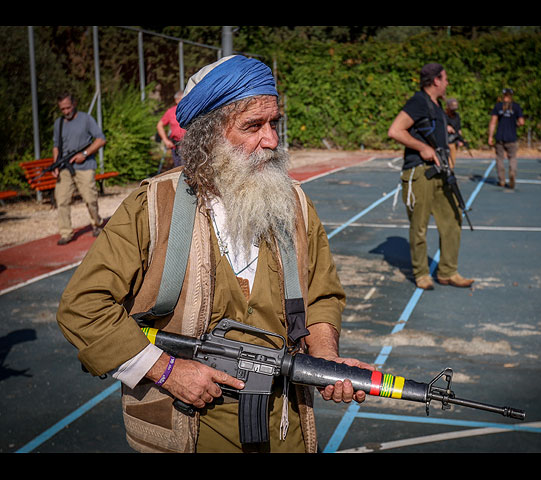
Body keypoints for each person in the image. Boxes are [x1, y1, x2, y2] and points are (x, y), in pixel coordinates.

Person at [56, 55, 373, 454]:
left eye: (273, 123)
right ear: (209, 135)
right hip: (184, 432)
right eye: (253, 126)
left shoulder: (293, 204)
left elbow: (321, 296)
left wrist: (325, 359)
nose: (272, 140)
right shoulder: (152, 206)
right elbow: (82, 306)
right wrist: (166, 370)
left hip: (285, 431)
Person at [388, 63, 474, 291]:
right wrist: (422, 148)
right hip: (420, 172)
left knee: (453, 218)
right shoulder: (419, 101)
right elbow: (395, 130)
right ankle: (421, 274)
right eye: (445, 78)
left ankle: (448, 271)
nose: (447, 83)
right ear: (436, 80)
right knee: (419, 226)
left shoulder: (437, 106)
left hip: (441, 173)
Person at [52, 92, 106, 245]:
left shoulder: (86, 119)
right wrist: (55, 164)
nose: (66, 112)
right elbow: (56, 146)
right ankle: (66, 233)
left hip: (85, 166)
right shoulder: (59, 123)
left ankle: (96, 225)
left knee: (90, 198)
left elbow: (101, 139)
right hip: (64, 167)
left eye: (68, 108)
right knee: (61, 199)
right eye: (63, 109)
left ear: (74, 104)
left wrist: (85, 153)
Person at [488, 88, 525, 189]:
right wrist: (516, 124)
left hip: (500, 136)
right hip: (512, 137)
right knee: (512, 157)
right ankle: (512, 173)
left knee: (499, 158)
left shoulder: (498, 106)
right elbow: (522, 122)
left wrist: (490, 136)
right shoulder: (516, 107)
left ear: (503, 95)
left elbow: (493, 122)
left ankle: (502, 180)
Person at [156, 90, 186, 168]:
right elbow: (160, 125)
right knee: (178, 170)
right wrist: (166, 140)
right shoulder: (171, 112)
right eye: (181, 99)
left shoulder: (190, 109)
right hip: (176, 145)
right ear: (176, 100)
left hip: (190, 144)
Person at [445, 97, 464, 168]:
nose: (453, 111)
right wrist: (446, 127)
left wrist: (460, 140)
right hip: (445, 141)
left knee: (452, 162)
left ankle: (450, 173)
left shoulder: (457, 116)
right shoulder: (443, 115)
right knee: (447, 161)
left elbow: (459, 129)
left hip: (454, 141)